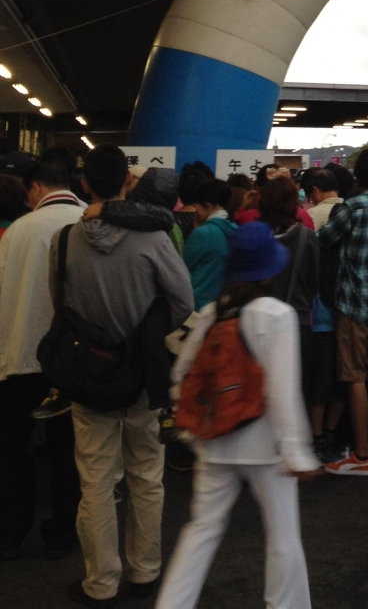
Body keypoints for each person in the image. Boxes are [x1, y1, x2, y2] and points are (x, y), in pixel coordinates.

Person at [155, 223, 319, 609]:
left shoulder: (213, 313)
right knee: (282, 537)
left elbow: (183, 374)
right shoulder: (277, 315)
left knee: (201, 531)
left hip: (215, 442)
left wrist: (195, 429)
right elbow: (281, 391)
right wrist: (297, 451)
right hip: (266, 448)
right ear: (268, 271)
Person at [58, 145, 193, 605]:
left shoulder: (65, 240)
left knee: (96, 481)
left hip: (89, 375)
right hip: (142, 374)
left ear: (85, 185)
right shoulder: (154, 239)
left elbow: (60, 305)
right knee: (146, 474)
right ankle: (145, 571)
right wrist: (150, 331)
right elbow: (183, 303)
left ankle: (100, 583)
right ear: (127, 184)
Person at [0, 161, 83, 561]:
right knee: (69, 449)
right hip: (74, 360)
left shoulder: (18, 230)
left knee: (13, 450)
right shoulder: (88, 222)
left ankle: (11, 533)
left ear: (35, 188)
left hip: (20, 355)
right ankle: (64, 532)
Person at [317, 148, 368, 476]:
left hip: (353, 300)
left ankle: (361, 455)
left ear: (359, 175)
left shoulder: (352, 207)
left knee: (354, 376)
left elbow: (325, 239)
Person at [260, 174, 320, 414]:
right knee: (295, 391)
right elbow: (314, 282)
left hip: (259, 324)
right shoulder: (307, 237)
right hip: (298, 321)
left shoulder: (255, 237)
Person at [183, 180, 238, 311]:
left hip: (197, 305)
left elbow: (182, 268)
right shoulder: (235, 229)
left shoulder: (203, 233)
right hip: (220, 305)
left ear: (208, 205)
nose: (195, 210)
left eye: (196, 205)